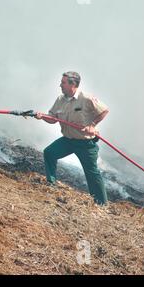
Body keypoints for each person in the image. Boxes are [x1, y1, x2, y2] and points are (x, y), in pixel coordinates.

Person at [35, 71, 110, 205]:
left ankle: (102, 204)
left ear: (73, 84)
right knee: (49, 153)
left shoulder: (86, 98)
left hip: (86, 143)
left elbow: (104, 110)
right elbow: (53, 119)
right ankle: (51, 184)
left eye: (63, 83)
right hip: (68, 141)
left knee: (92, 173)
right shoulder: (60, 100)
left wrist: (92, 125)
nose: (60, 85)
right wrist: (42, 117)